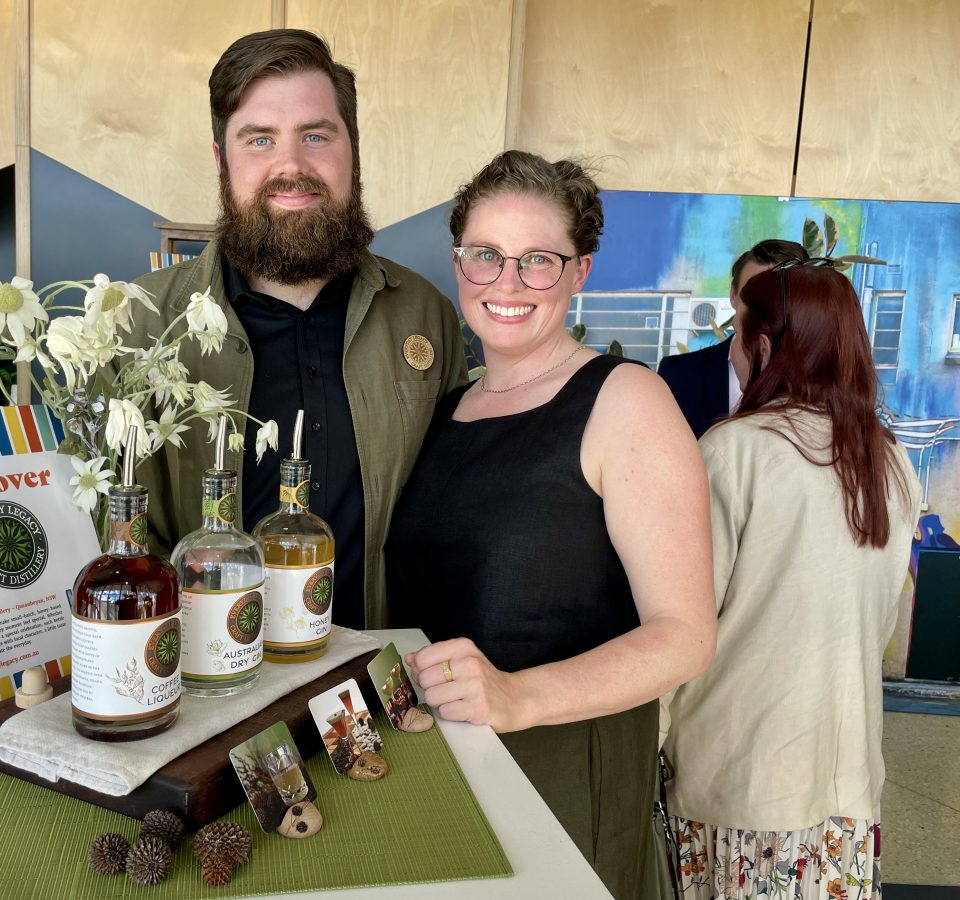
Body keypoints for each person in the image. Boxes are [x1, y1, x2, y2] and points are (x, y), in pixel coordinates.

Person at [385, 151, 717, 899]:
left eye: (537, 260)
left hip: (565, 772)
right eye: (486, 256)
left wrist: (517, 697)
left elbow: (686, 635)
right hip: (443, 765)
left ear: (580, 271)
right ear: (458, 262)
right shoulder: (446, 412)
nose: (506, 283)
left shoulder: (627, 400)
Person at [127, 29, 468, 629]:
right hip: (215, 697)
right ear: (220, 159)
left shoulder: (426, 314)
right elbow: (125, 536)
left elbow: (454, 518)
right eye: (259, 139)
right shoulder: (144, 325)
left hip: (388, 690)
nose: (291, 166)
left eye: (316, 135)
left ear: (352, 151)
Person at [663, 261, 918, 899]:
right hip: (848, 779)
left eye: (738, 336)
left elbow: (680, 627)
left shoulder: (734, 451)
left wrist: (649, 741)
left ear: (766, 346)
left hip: (740, 780)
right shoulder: (888, 461)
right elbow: (883, 620)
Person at [659, 239, 808, 438]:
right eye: (753, 294)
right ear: (733, 296)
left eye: (778, 296)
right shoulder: (678, 375)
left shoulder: (824, 383)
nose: (765, 307)